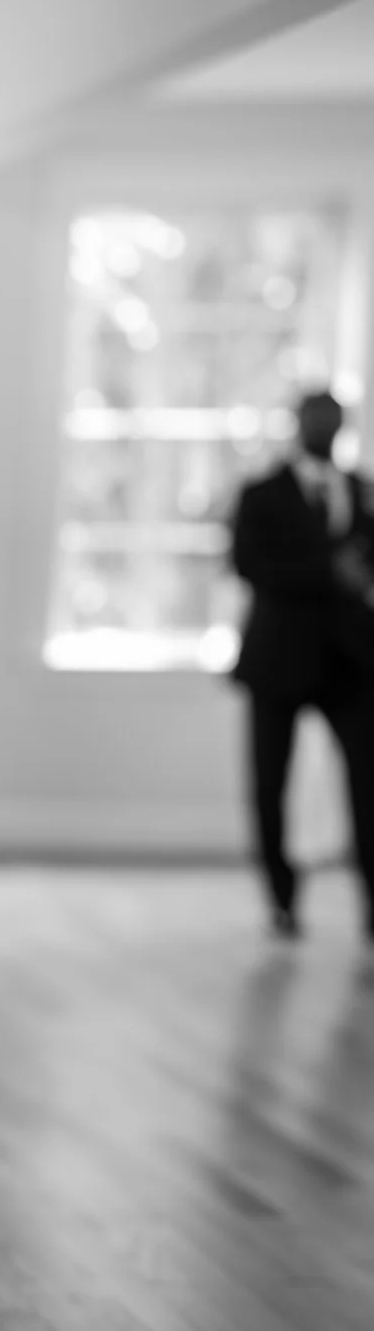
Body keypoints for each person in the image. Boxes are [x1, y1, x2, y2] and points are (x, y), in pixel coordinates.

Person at [231, 388, 374, 939]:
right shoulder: (262, 494)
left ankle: (371, 906)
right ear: (297, 423)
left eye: (334, 419)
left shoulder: (362, 491)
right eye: (316, 418)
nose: (324, 427)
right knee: (270, 783)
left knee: (368, 783)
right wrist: (328, 573)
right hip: (278, 658)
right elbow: (249, 565)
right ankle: (282, 900)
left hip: (352, 661)